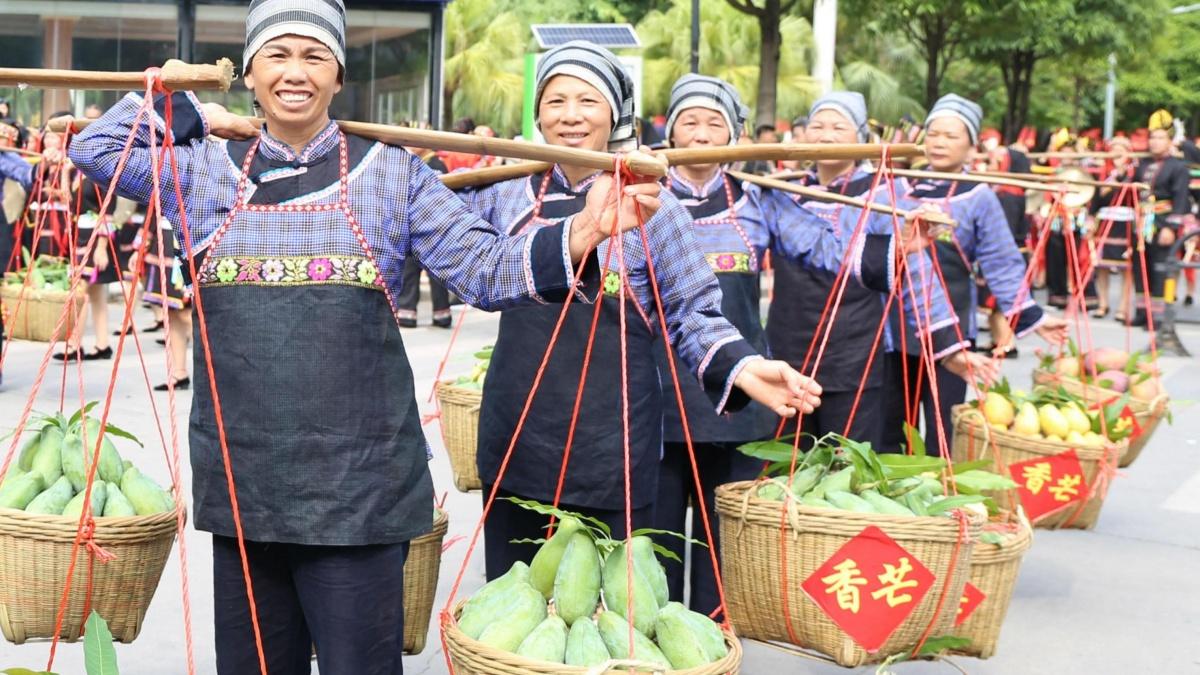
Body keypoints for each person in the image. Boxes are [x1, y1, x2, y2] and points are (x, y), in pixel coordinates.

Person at [69, 3, 657, 672]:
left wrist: (582, 233)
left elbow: (485, 271)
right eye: (278, 55)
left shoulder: (392, 172)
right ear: (252, 72)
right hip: (245, 489)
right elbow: (95, 150)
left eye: (314, 56)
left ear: (339, 74)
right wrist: (184, 108)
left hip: (360, 496)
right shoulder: (202, 171)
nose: (295, 73)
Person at [457, 42, 826, 582]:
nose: (570, 115)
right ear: (538, 115)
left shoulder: (653, 206)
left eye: (588, 100)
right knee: (514, 600)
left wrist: (746, 367)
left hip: (612, 438)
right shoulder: (501, 195)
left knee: (606, 607)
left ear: (615, 115)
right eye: (555, 100)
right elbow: (464, 268)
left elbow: (693, 312)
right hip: (518, 430)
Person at [651, 78, 970, 616]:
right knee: (655, 538)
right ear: (669, 129)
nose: (701, 135)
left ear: (736, 134)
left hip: (737, 393)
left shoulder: (758, 198)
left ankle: (715, 640)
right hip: (656, 392)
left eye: (714, 124)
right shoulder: (643, 196)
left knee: (725, 538)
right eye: (689, 122)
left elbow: (826, 247)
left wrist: (897, 245)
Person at [770, 91, 988, 452]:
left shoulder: (886, 195)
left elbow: (917, 271)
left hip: (856, 351)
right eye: (817, 126)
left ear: (861, 137)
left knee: (846, 466)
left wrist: (948, 347)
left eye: (839, 127)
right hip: (787, 350)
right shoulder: (780, 193)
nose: (826, 135)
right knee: (786, 466)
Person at [882, 94, 1068, 455]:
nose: (939, 142)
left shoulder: (979, 196)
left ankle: (939, 503)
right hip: (894, 325)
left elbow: (1000, 261)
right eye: (933, 133)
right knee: (891, 426)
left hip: (951, 322)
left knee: (941, 429)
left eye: (951, 136)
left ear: (971, 145)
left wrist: (1029, 314)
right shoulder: (897, 187)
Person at [1130, 110, 1192, 328]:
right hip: (1141, 222)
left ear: (1169, 141)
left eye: (1160, 138)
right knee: (1140, 266)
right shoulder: (1143, 164)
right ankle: (1141, 311)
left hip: (1162, 221)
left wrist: (1170, 228)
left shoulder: (1178, 167)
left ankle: (1157, 315)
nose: (1154, 142)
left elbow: (1181, 199)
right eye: (1152, 137)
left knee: (1159, 268)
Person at [396, 146, 452, 328]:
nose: (410, 147)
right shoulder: (410, 162)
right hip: (414, 228)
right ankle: (407, 313)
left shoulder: (437, 165)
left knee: (437, 277)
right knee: (410, 274)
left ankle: (441, 314)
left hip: (434, 229)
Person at [1090, 136, 1137, 322]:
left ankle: (1123, 307)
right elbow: (1097, 198)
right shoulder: (1103, 173)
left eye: (1121, 150)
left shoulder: (1134, 173)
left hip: (1125, 221)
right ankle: (1103, 303)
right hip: (1105, 219)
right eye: (1114, 150)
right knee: (1102, 266)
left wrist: (1123, 175)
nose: (1117, 154)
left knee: (1127, 267)